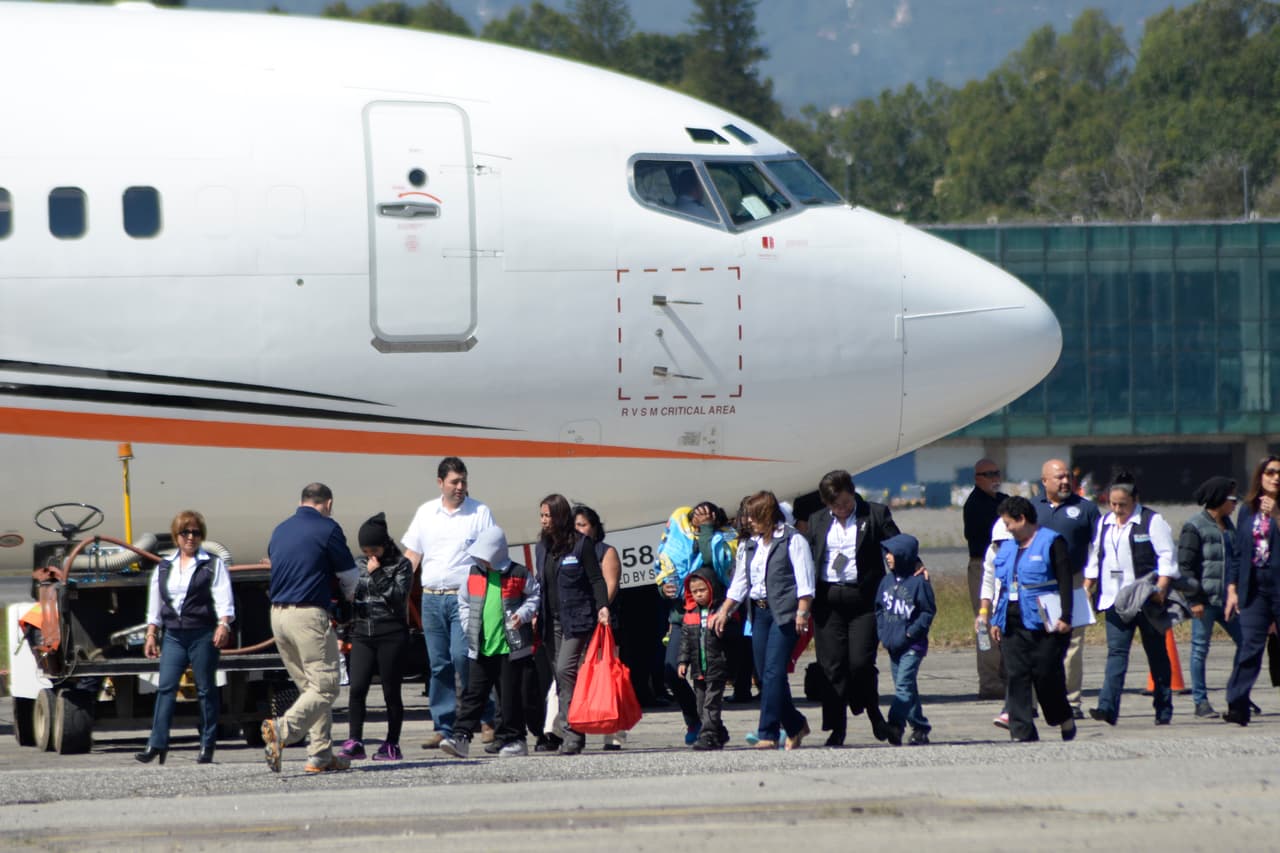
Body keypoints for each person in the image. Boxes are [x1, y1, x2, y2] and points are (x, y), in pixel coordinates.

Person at [261, 483, 358, 774]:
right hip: (307, 616)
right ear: (327, 503)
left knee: (309, 688)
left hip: (278, 617)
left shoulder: (280, 529)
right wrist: (351, 602)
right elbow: (350, 577)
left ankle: (320, 755)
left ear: (301, 501)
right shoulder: (328, 528)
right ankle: (282, 730)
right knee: (326, 685)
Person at [401, 456, 495, 749]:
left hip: (464, 598)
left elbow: (491, 554)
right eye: (455, 482)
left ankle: (486, 717)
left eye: (464, 481)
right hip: (431, 598)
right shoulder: (426, 513)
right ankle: (443, 725)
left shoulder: (479, 512)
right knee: (438, 664)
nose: (460, 487)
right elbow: (412, 556)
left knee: (461, 656)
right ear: (440, 483)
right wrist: (397, 587)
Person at [806, 470, 905, 746]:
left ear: (853, 493)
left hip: (862, 600)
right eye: (835, 506)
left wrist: (912, 566)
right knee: (832, 668)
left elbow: (897, 545)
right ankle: (838, 728)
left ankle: (873, 713)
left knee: (860, 664)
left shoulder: (874, 514)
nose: (841, 509)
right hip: (828, 602)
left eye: (845, 503)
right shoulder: (817, 521)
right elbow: (809, 559)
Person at [711, 490, 814, 751]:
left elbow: (805, 579)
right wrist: (724, 609)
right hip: (759, 613)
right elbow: (740, 582)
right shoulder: (749, 544)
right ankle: (795, 723)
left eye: (754, 517)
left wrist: (803, 611)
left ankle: (767, 732)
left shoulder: (793, 540)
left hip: (785, 613)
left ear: (768, 515)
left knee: (774, 671)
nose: (749, 522)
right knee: (765, 675)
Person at [136, 510, 234, 765]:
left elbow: (224, 597)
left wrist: (223, 625)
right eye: (185, 532)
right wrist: (151, 633)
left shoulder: (212, 563)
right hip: (173, 636)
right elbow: (154, 603)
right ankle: (156, 744)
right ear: (176, 536)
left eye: (195, 532)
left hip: (202, 633)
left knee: (205, 689)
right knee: (166, 687)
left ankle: (207, 745)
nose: (190, 537)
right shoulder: (164, 565)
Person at [1083, 474, 1178, 727]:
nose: (1117, 510)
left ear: (1134, 500)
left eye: (1122, 504)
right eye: (1112, 504)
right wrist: (1087, 585)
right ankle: (1107, 707)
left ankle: (1163, 706)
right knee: (1116, 653)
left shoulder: (1152, 521)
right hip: (1114, 599)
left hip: (1146, 599)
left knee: (1156, 654)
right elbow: (1095, 556)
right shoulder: (1105, 523)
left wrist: (1161, 586)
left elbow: (1167, 556)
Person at [441, 525, 540, 758]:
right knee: (473, 694)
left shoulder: (518, 573)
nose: (482, 561)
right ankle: (461, 736)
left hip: (510, 648)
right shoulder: (474, 574)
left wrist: (524, 614)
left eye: (486, 556)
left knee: (509, 697)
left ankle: (515, 739)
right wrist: (467, 626)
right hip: (481, 647)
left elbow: (535, 595)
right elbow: (463, 602)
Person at [984, 496, 1077, 743]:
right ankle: (1022, 731)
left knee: (1046, 675)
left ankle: (1063, 716)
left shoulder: (1051, 542)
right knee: (1016, 675)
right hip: (1013, 622)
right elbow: (1000, 585)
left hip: (1046, 623)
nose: (1007, 529)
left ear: (1022, 519)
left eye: (1008, 523)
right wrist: (995, 619)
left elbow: (1065, 580)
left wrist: (1066, 616)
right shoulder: (1008, 547)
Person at [655, 502, 736, 744]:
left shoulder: (724, 538)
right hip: (683, 617)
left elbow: (713, 564)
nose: (696, 522)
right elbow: (665, 566)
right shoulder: (679, 535)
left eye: (703, 517)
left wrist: (707, 531)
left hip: (710, 617)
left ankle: (709, 728)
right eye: (694, 519)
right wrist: (663, 589)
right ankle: (697, 720)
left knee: (707, 678)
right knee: (672, 671)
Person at [537, 493, 610, 755]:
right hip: (551, 621)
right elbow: (542, 582)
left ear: (560, 516)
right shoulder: (542, 546)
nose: (544, 521)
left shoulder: (581, 545)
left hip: (577, 619)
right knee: (561, 676)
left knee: (567, 670)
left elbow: (596, 580)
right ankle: (572, 732)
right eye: (542, 515)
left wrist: (602, 607)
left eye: (548, 515)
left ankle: (573, 733)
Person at [339, 512, 413, 762]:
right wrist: (343, 630)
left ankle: (392, 743)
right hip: (362, 633)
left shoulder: (402, 565)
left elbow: (398, 597)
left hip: (390, 633)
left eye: (375, 549)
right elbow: (351, 598)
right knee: (357, 688)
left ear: (385, 545)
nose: (370, 555)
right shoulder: (358, 564)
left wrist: (379, 573)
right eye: (365, 550)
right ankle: (354, 739)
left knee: (391, 691)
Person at [1032, 458, 1101, 720]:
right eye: (1058, 477)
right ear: (1044, 481)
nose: (1064, 482)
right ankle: (1032, 703)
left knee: (1072, 644)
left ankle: (1071, 702)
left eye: (1067, 477)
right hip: (1039, 583)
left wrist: (1089, 581)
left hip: (1073, 582)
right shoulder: (1032, 508)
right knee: (1035, 642)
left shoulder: (1086, 509)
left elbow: (1098, 546)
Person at [1177, 476, 1243, 719]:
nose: (1235, 504)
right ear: (1219, 499)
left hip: (1228, 601)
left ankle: (1237, 693)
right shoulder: (1194, 526)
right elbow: (1184, 567)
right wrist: (1193, 599)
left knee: (1246, 645)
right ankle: (1200, 701)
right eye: (1232, 499)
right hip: (1204, 601)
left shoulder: (1229, 525)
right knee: (1199, 650)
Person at [1223, 456, 1280, 725]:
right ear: (1260, 476)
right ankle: (1237, 703)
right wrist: (1232, 588)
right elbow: (1238, 552)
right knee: (1249, 645)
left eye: (1279, 473)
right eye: (1270, 472)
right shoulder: (1247, 509)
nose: (1275, 478)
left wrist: (1277, 514)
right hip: (1254, 583)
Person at [574, 504, 626, 750]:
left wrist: (597, 612)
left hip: (603, 623)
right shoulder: (568, 551)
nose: (578, 530)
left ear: (594, 528)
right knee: (568, 676)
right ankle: (557, 730)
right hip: (576, 621)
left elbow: (609, 588)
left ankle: (614, 734)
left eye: (583, 524)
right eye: (574, 525)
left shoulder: (606, 551)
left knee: (608, 677)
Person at [963, 458, 1007, 700]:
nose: (994, 479)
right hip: (982, 565)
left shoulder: (1003, 501)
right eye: (988, 475)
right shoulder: (974, 504)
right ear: (977, 478)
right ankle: (990, 683)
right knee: (985, 623)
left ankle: (1006, 675)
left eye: (996, 473)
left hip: (1006, 564)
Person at [678, 567, 733, 750]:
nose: (699, 595)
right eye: (694, 592)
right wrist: (682, 661)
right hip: (697, 667)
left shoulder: (721, 612)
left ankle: (708, 736)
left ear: (712, 589)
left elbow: (731, 639)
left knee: (711, 703)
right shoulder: (690, 614)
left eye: (702, 590)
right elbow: (685, 641)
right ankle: (719, 732)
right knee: (701, 705)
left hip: (716, 665)